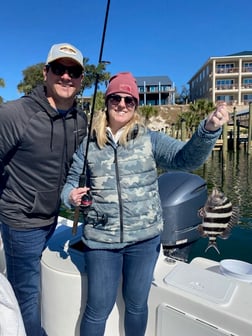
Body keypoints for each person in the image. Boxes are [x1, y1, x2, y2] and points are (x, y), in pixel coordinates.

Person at [61, 72, 229, 336]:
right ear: (107, 101)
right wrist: (70, 196)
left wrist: (207, 131)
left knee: (137, 306)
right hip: (101, 242)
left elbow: (185, 159)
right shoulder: (89, 145)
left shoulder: (150, 140)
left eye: (130, 100)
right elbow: (70, 183)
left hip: (144, 241)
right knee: (97, 309)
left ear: (136, 106)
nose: (122, 105)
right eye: (116, 98)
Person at [0, 42, 87, 336]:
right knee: (26, 295)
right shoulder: (15, 114)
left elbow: (80, 169)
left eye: (73, 71)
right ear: (45, 73)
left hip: (54, 217)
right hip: (21, 222)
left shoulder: (80, 120)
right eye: (59, 69)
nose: (66, 76)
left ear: (81, 79)